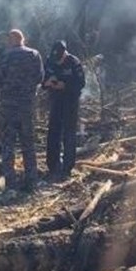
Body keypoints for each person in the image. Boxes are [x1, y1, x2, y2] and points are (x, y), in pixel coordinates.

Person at [0, 29, 44, 191]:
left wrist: (8, 87)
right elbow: (40, 78)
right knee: (28, 143)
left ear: (11, 40)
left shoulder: (6, 56)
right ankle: (32, 181)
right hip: (27, 106)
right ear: (23, 39)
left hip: (8, 106)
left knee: (8, 144)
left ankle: (11, 183)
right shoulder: (34, 55)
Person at [42, 40, 85, 179]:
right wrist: (48, 83)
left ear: (65, 53)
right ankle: (52, 165)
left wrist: (65, 85)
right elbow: (42, 80)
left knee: (69, 133)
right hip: (55, 100)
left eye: (60, 58)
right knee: (53, 132)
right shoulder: (49, 61)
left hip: (70, 101)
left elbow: (80, 83)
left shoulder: (74, 62)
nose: (58, 61)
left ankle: (67, 167)